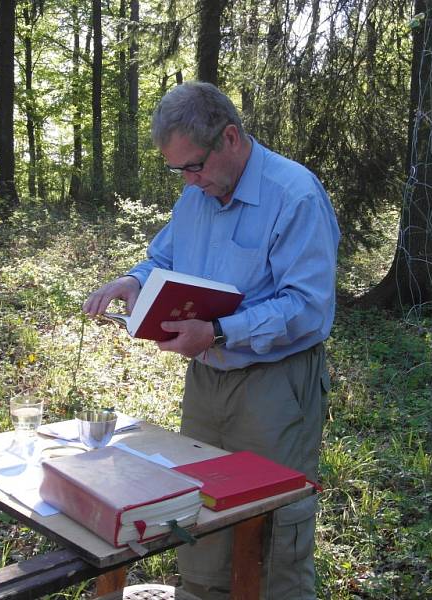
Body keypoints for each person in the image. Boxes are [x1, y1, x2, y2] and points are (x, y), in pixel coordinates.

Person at [83, 81, 340, 600]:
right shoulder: (196, 194)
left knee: (273, 525)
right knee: (199, 508)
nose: (188, 180)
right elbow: (164, 258)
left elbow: (308, 307)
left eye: (194, 166)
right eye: (177, 170)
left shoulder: (294, 195)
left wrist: (220, 330)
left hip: (276, 386)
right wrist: (133, 281)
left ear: (230, 137)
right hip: (207, 379)